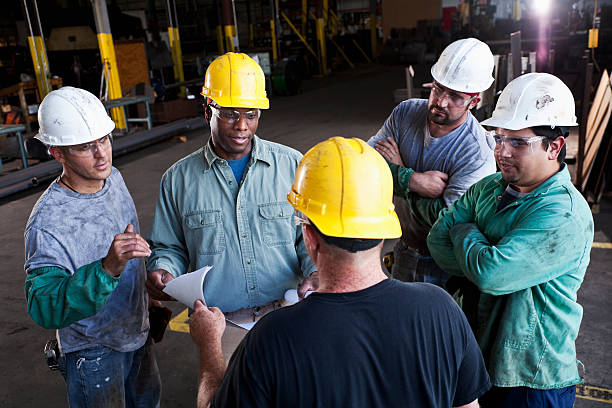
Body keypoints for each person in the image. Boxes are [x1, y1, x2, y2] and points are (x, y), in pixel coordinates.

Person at [189, 137, 491, 407]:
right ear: (384, 229)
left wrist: (209, 345)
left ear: (309, 238)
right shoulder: (441, 310)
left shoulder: (272, 338)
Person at [427, 73, 593, 408]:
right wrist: (484, 254)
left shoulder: (563, 213)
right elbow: (436, 244)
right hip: (480, 359)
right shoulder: (489, 188)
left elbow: (492, 274)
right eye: (499, 138)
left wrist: (465, 230)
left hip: (532, 378)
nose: (502, 151)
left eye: (518, 142)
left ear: (555, 146)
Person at [146, 52, 317, 321]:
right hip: (220, 322)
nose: (242, 126)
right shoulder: (177, 180)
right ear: (207, 111)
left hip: (289, 315)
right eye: (229, 114)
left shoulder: (292, 165)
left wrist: (316, 272)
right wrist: (164, 269)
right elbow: (169, 247)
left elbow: (309, 237)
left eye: (251, 115)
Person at [24, 87, 160, 407]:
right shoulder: (48, 222)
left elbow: (131, 252)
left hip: (136, 332)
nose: (102, 154)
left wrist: (148, 302)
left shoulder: (114, 179)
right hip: (93, 351)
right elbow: (43, 305)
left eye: (104, 139)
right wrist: (106, 269)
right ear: (57, 153)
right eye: (85, 147)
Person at [368, 37, 497, 286]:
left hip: (445, 265)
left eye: (455, 96)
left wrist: (396, 172)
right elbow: (364, 164)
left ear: (474, 101)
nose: (440, 101)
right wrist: (412, 179)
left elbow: (449, 222)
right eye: (438, 88)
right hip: (404, 247)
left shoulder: (476, 152)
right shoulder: (405, 114)